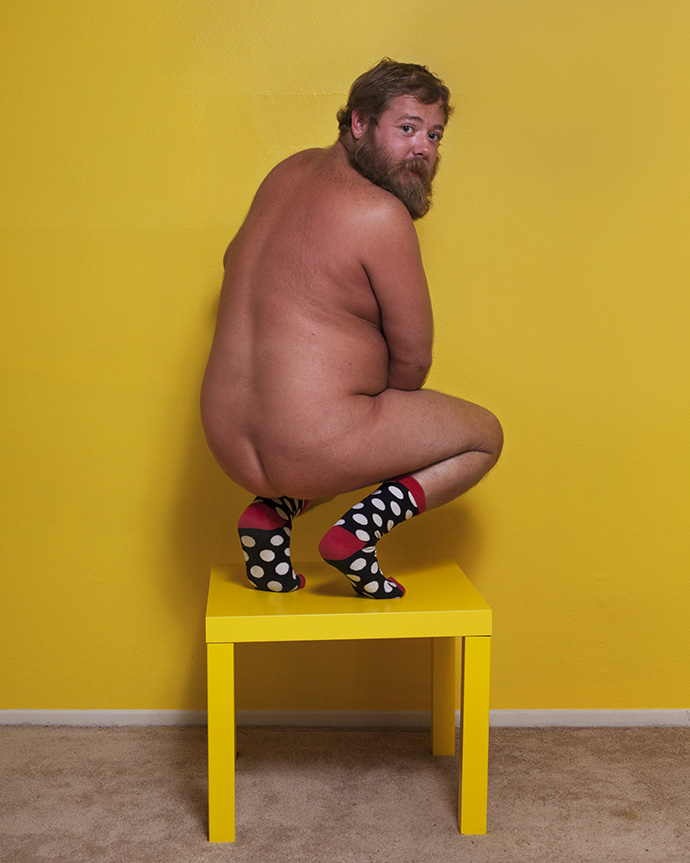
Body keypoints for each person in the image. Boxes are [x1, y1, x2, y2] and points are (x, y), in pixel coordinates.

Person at [200, 58, 503, 599]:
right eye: (407, 128)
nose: (423, 148)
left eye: (434, 135)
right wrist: (364, 403)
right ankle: (356, 535)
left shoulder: (286, 172)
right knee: (484, 436)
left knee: (346, 427)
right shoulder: (379, 214)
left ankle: (273, 515)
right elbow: (413, 362)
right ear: (359, 122)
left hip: (227, 440)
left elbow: (231, 261)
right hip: (308, 445)